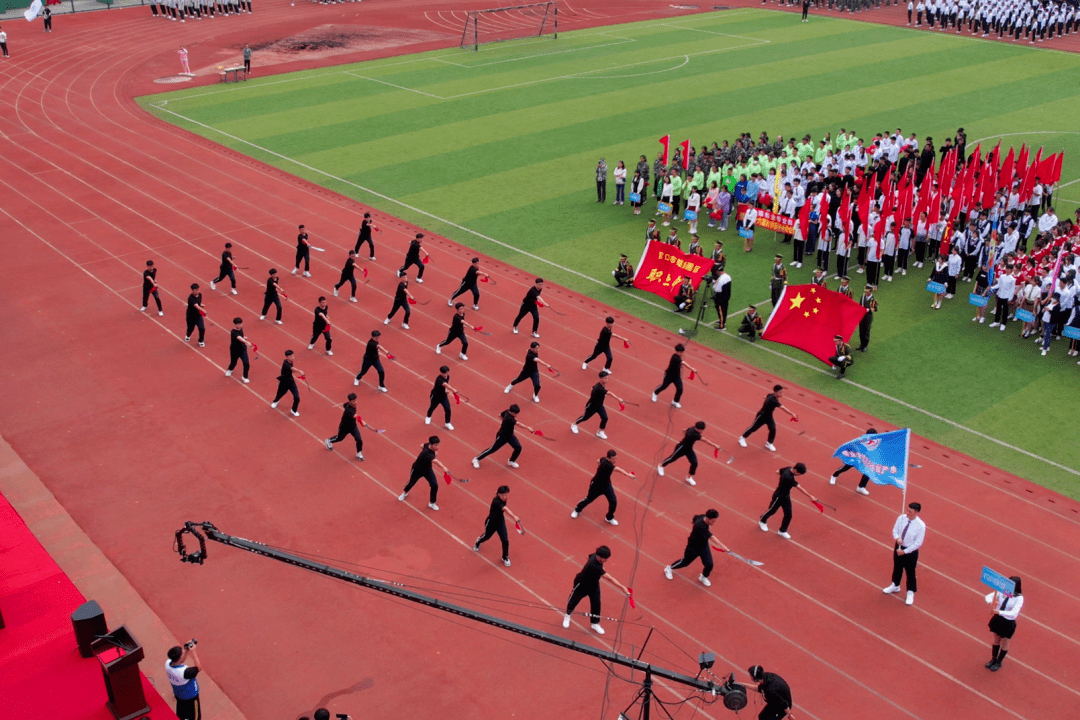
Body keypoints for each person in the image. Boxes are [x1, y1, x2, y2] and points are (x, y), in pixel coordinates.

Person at [562, 545, 631, 635]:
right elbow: (609, 578)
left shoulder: (595, 555)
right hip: (582, 585)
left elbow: (588, 556)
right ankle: (567, 616)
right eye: (605, 559)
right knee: (573, 601)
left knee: (596, 603)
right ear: (600, 558)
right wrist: (623, 588)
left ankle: (595, 623)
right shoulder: (594, 566)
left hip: (594, 585)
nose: (606, 561)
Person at [664, 509, 727, 587]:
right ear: (708, 518)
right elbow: (712, 538)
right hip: (693, 547)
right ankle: (669, 568)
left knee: (709, 564)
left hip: (703, 546)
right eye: (713, 521)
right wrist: (723, 547)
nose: (713, 523)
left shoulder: (702, 517)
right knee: (685, 562)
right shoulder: (700, 526)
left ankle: (703, 577)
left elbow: (693, 519)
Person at [571, 450, 635, 525]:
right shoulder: (608, 465)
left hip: (606, 485)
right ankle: (577, 509)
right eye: (613, 459)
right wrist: (628, 475)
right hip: (596, 486)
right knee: (588, 499)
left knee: (613, 501)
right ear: (609, 458)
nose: (615, 460)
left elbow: (598, 460)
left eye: (616, 458)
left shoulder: (603, 459)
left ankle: (609, 517)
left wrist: (599, 466)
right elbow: (618, 469)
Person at [758, 463, 816, 539]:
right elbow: (799, 488)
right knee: (772, 510)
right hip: (778, 496)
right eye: (799, 473)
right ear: (795, 470)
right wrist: (810, 496)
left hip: (786, 497)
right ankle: (762, 520)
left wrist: (782, 481)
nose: (798, 475)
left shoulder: (788, 468)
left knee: (788, 514)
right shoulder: (789, 478)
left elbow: (777, 471)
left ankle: (782, 530)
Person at [883, 501, 926, 606]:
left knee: (910, 572)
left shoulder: (921, 526)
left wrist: (905, 551)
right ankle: (895, 585)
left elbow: (918, 543)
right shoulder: (901, 518)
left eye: (910, 511)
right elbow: (895, 530)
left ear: (916, 512)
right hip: (899, 546)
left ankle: (910, 592)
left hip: (910, 551)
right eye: (908, 510)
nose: (908, 512)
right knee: (897, 567)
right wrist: (897, 538)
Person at [657, 421, 721, 486]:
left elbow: (684, 430)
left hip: (689, 449)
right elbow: (705, 440)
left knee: (694, 463)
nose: (702, 431)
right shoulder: (695, 434)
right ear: (698, 429)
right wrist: (714, 445)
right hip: (681, 448)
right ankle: (660, 465)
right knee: (672, 458)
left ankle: (689, 477)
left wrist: (686, 436)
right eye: (701, 430)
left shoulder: (693, 428)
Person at [472, 404, 536, 469]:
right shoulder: (509, 418)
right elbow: (518, 424)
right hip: (502, 436)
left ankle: (511, 461)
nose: (516, 415)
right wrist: (527, 428)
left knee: (518, 447)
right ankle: (476, 459)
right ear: (512, 412)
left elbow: (499, 415)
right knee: (492, 449)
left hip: (510, 435)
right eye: (515, 414)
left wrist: (504, 422)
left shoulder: (507, 411)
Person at [398, 436, 450, 511]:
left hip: (427, 470)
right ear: (431, 445)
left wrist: (434, 453)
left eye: (438, 444)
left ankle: (432, 503)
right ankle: (405, 493)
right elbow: (435, 462)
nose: (437, 446)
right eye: (435, 445)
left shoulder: (428, 445)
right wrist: (444, 468)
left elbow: (421, 445)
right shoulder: (427, 453)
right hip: (417, 470)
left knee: (434, 485)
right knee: (411, 483)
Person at [738, 385, 796, 452]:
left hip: (769, 417)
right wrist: (792, 414)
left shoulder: (771, 395)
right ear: (776, 392)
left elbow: (767, 395)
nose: (782, 394)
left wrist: (765, 397)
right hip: (762, 416)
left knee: (773, 429)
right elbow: (783, 408)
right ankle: (742, 438)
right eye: (781, 392)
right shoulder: (773, 400)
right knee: (753, 428)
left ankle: (769, 443)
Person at [473, 485, 519, 566]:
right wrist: (514, 516)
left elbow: (499, 495)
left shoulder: (501, 497)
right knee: (486, 537)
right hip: (491, 523)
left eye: (506, 494)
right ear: (498, 494)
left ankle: (505, 556)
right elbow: (506, 509)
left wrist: (497, 493)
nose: (504, 497)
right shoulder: (496, 501)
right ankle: (478, 541)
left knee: (505, 540)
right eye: (503, 495)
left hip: (500, 522)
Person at [572, 371, 625, 439]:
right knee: (585, 418)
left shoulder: (600, 385)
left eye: (607, 378)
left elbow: (593, 388)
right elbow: (609, 393)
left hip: (599, 406)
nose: (607, 380)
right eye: (605, 378)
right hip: (591, 406)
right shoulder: (599, 388)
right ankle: (574, 425)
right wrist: (618, 399)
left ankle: (600, 431)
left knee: (605, 418)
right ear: (601, 378)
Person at [986, 576, 1024, 672]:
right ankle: (993, 659)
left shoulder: (1019, 598)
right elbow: (988, 596)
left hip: (1007, 622)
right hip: (998, 619)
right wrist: (991, 602)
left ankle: (999, 662)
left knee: (1004, 643)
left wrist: (999, 612)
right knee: (996, 640)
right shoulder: (1003, 591)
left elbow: (1014, 613)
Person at [829, 427, 877, 494]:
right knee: (846, 467)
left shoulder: (875, 442)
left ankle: (861, 487)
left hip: (865, 459)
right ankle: (834, 475)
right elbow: (852, 446)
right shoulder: (861, 440)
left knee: (868, 472)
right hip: (856, 457)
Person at [652, 343, 698, 408]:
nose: (682, 353)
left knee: (680, 389)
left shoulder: (678, 357)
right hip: (669, 376)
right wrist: (692, 368)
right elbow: (683, 363)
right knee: (664, 386)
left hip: (676, 376)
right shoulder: (675, 357)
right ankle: (655, 393)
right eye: (681, 352)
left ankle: (675, 401)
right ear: (677, 351)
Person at [324, 393, 367, 460]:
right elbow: (356, 416)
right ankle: (328, 441)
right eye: (353, 401)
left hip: (353, 426)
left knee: (359, 439)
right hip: (344, 428)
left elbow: (344, 404)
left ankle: (359, 453)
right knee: (339, 439)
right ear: (350, 401)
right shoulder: (349, 410)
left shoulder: (348, 404)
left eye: (356, 400)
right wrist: (362, 422)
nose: (355, 402)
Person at [165, 642, 201, 720]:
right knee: (195, 717)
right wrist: (193, 652)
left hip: (179, 696)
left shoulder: (168, 664)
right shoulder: (184, 672)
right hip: (191, 697)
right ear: (179, 657)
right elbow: (198, 667)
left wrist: (186, 651)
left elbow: (179, 661)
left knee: (182, 716)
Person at [270, 350, 303, 417]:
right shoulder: (285, 363)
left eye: (293, 355)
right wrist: (299, 371)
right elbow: (291, 368)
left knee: (297, 397)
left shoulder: (291, 362)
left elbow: (291, 370)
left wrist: (294, 372)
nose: (293, 357)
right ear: (287, 357)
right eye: (291, 356)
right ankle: (276, 401)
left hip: (291, 381)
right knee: (280, 394)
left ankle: (293, 410)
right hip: (284, 382)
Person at [425, 365, 458, 430]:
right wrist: (452, 389)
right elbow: (445, 384)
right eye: (445, 373)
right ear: (441, 373)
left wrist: (446, 391)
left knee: (448, 409)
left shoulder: (447, 377)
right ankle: (428, 417)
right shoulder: (439, 379)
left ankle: (447, 423)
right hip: (436, 396)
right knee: (432, 407)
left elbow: (445, 386)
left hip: (443, 396)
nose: (446, 374)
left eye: (447, 373)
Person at [224, 317, 252, 382]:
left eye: (241, 323)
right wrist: (246, 342)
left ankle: (245, 377)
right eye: (238, 324)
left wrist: (244, 338)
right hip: (234, 350)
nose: (240, 325)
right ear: (235, 324)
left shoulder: (241, 329)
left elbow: (241, 336)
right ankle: (230, 369)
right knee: (233, 362)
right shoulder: (233, 332)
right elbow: (239, 337)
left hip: (242, 349)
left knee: (246, 363)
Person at [857, 285, 877, 352]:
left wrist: (869, 309)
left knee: (866, 332)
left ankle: (865, 346)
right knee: (861, 331)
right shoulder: (863, 297)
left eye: (867, 291)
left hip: (868, 317)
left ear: (871, 291)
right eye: (865, 291)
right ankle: (861, 344)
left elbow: (875, 309)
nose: (866, 292)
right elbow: (860, 305)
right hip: (862, 316)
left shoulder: (873, 299)